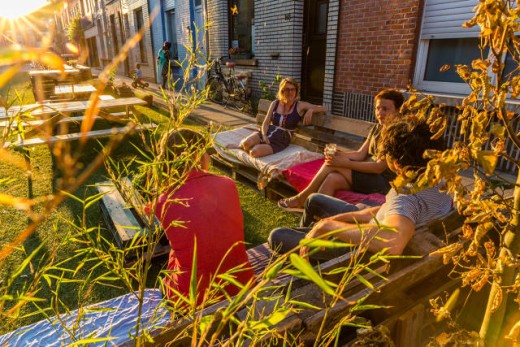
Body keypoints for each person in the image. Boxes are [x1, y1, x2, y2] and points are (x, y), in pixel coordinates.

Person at [268, 116, 453, 261]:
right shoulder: (439, 180)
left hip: (356, 252)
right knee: (314, 199)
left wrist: (329, 225)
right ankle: (310, 241)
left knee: (277, 236)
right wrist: (335, 221)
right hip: (374, 227)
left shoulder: (406, 197)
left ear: (395, 163)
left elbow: (392, 241)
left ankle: (309, 258)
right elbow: (390, 211)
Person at [154, 128, 254, 306]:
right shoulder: (228, 184)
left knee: (174, 259)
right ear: (197, 154)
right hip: (239, 284)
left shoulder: (164, 201)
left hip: (193, 298)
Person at [278, 89, 405, 212]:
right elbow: (360, 154)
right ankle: (315, 217)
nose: (380, 113)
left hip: (383, 181)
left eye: (385, 109)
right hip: (367, 173)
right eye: (378, 108)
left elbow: (378, 168)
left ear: (398, 110)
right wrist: (339, 154)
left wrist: (344, 163)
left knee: (331, 165)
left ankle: (301, 198)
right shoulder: (377, 128)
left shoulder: (397, 134)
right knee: (332, 179)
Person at [229, 77, 326, 158]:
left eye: (292, 89)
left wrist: (311, 110)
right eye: (286, 89)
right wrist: (263, 135)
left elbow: (323, 108)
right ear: (282, 91)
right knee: (246, 143)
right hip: (267, 131)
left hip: (281, 139)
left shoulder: (300, 105)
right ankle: (243, 146)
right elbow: (266, 122)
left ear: (296, 91)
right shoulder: (275, 103)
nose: (290, 92)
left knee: (254, 152)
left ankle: (252, 147)